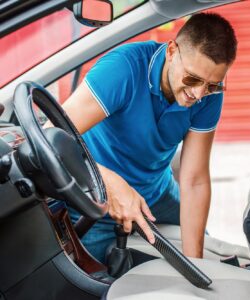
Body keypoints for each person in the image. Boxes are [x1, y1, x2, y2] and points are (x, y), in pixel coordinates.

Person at [62, 12, 237, 263]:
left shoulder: (209, 95)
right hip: (95, 201)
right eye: (192, 78)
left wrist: (195, 268)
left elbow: (195, 180)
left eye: (212, 85)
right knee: (91, 279)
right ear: (171, 51)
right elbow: (54, 137)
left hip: (157, 194)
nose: (199, 94)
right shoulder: (123, 70)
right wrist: (107, 182)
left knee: (205, 260)